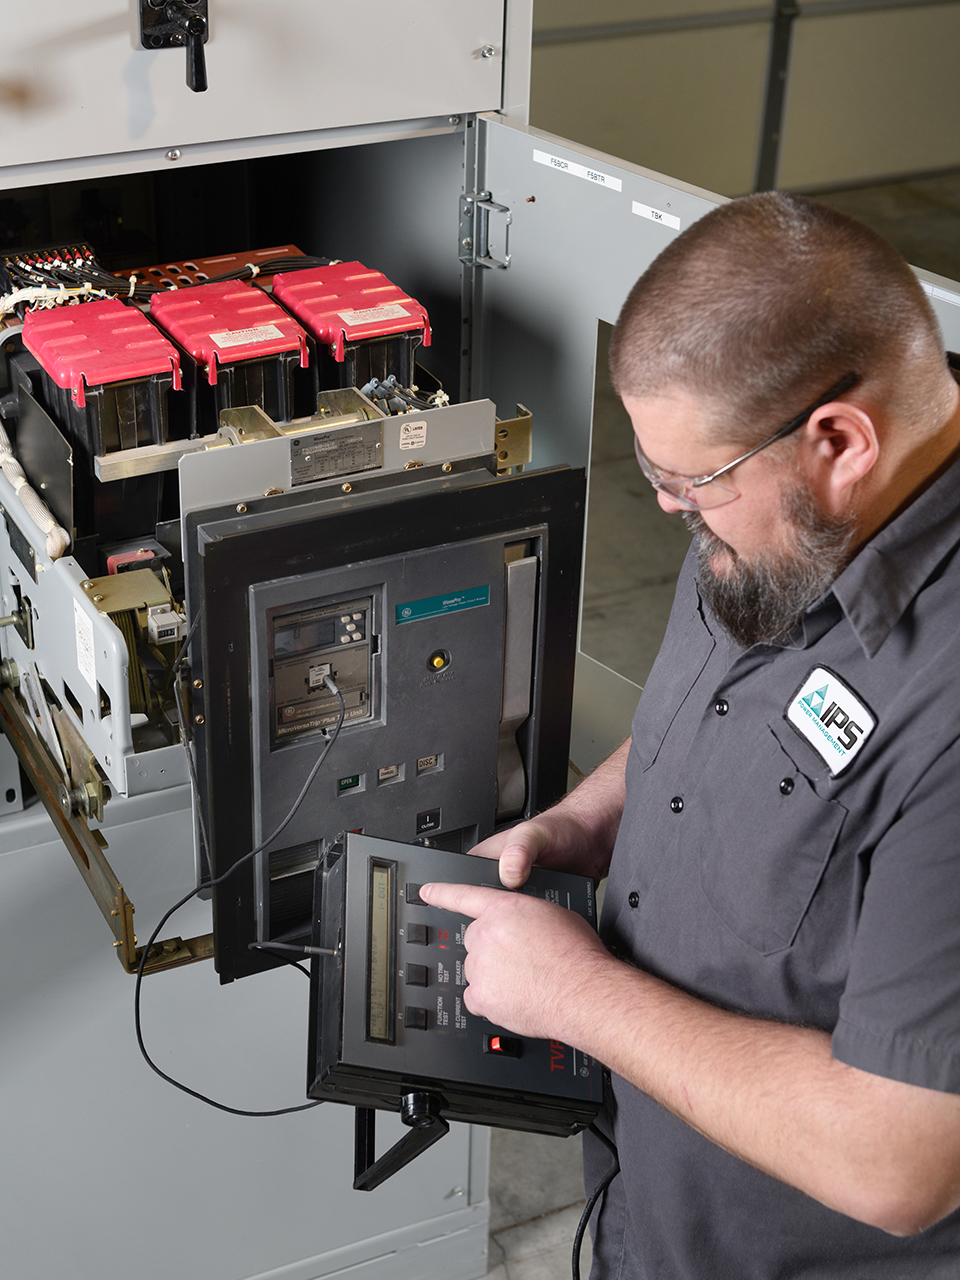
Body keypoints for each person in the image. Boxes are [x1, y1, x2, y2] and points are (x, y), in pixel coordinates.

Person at [419, 192, 960, 1278]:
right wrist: (587, 818)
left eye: (690, 484)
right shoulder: (781, 520)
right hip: (656, 1210)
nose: (669, 509)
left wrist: (576, 993)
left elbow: (899, 1160)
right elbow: (728, 720)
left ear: (840, 441)